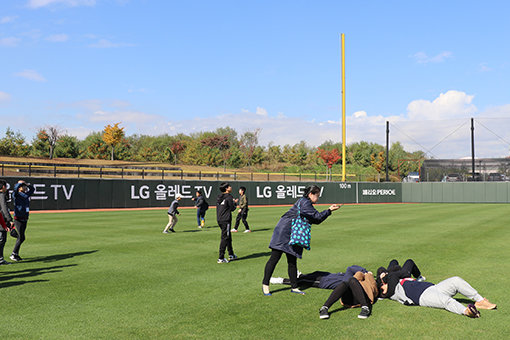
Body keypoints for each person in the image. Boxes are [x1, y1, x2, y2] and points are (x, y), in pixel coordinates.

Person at [262, 185, 341, 296]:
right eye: (317, 196)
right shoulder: (305, 203)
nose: (318, 198)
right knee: (274, 258)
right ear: (310, 194)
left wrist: (328, 211)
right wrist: (329, 210)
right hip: (284, 232)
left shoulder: (304, 202)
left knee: (292, 261)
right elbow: (317, 217)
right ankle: (265, 285)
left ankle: (294, 287)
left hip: (292, 233)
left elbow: (315, 220)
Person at [378, 259, 497, 318]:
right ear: (382, 290)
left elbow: (394, 263)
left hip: (434, 287)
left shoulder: (397, 280)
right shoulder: (392, 291)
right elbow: (388, 272)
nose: (385, 283)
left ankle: (480, 301)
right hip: (423, 296)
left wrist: (384, 275)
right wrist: (383, 276)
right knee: (446, 301)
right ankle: (466, 311)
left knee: (456, 280)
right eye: (383, 284)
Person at [270, 265, 368, 290]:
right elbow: (354, 267)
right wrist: (366, 271)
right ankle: (300, 275)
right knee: (314, 273)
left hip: (324, 282)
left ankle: (281, 280)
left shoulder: (353, 283)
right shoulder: (359, 277)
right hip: (328, 275)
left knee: (302, 281)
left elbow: (350, 268)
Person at [10, 180, 34, 262]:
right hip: (18, 218)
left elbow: (32, 189)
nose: (25, 187)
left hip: (25, 217)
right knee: (21, 237)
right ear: (19, 187)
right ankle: (13, 254)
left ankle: (15, 254)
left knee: (22, 237)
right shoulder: (16, 194)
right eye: (23, 186)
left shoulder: (26, 194)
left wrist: (27, 184)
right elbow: (15, 190)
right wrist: (19, 183)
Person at [216, 182, 237, 263]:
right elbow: (232, 208)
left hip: (219, 219)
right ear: (226, 189)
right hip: (226, 219)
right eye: (229, 186)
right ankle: (221, 257)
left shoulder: (219, 197)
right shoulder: (229, 197)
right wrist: (235, 203)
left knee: (228, 236)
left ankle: (231, 254)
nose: (231, 187)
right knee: (225, 237)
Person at [0, 180, 13, 265]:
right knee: (1, 240)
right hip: (1, 221)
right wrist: (9, 219)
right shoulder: (1, 195)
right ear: (3, 187)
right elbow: (4, 208)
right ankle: (0, 259)